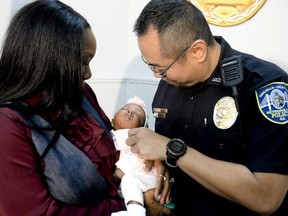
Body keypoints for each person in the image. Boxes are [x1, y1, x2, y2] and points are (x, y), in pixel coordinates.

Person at [0, 1, 169, 215]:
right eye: (82, 62)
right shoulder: (8, 125)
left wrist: (150, 162)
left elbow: (115, 143)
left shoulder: (81, 94)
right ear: (47, 60)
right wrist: (134, 205)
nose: (88, 74)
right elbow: (36, 212)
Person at [126, 0, 288, 215]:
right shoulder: (171, 81)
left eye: (161, 68)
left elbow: (266, 198)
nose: (157, 76)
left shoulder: (264, 86)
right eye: (152, 66)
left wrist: (173, 150)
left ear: (198, 51)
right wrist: (162, 166)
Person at [110, 96, 173, 216]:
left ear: (141, 128)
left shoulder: (132, 136)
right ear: (112, 120)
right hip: (135, 182)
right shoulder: (112, 134)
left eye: (137, 115)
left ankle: (136, 212)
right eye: (126, 108)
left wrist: (118, 173)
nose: (130, 112)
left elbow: (136, 157)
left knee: (129, 181)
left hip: (146, 175)